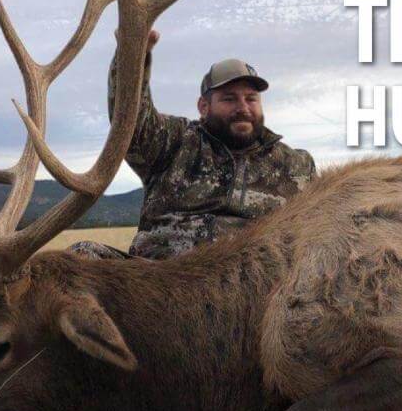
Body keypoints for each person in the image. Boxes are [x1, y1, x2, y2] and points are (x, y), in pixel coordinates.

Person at [71, 30, 316, 260]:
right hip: (160, 278)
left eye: (251, 99)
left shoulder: (296, 165)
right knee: (82, 256)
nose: (243, 108)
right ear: (203, 107)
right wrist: (133, 57)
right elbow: (130, 124)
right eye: (229, 99)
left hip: (253, 282)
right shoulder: (175, 141)